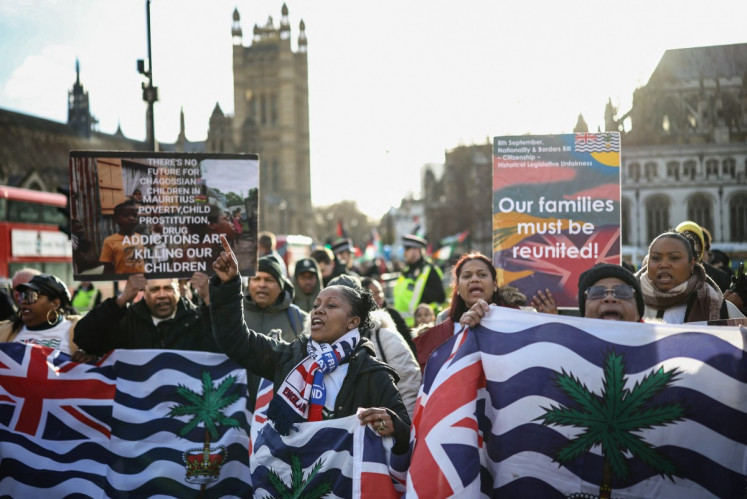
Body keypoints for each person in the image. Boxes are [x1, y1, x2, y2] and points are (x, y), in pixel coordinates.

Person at [210, 236, 411, 453]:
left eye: (331, 305)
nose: (318, 310)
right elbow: (235, 340)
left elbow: (406, 433)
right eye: (316, 305)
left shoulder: (373, 374)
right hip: (293, 480)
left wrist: (393, 426)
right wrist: (229, 286)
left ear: (353, 322)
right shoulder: (289, 357)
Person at [329, 274, 422, 418]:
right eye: (333, 305)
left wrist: (402, 430)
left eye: (348, 302)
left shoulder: (385, 336)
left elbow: (409, 386)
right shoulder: (316, 347)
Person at [413, 252, 517, 371]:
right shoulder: (443, 319)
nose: (474, 279)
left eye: (482, 275)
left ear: (494, 285)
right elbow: (440, 370)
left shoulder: (514, 315)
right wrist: (461, 334)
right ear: (457, 288)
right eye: (467, 276)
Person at [73, 273, 219, 355]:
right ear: (144, 293)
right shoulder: (128, 321)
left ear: (178, 290)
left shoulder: (196, 319)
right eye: (155, 289)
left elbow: (225, 347)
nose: (162, 295)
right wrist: (120, 301)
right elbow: (83, 338)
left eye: (168, 288)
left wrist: (208, 300)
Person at [634, 230, 743, 323]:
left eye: (674, 258)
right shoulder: (628, 301)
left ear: (691, 264)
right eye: (656, 258)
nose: (664, 264)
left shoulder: (722, 309)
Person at [0, 274, 95, 362]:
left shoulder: (78, 331)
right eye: (23, 296)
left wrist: (91, 356)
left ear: (55, 303)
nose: (23, 301)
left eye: (32, 296)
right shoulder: (5, 331)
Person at [245, 256, 309, 342]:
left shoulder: (300, 319)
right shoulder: (234, 314)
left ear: (281, 287)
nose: (262, 285)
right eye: (256, 279)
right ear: (249, 284)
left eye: (269, 280)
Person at [392, 234, 445, 327]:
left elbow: (440, 297)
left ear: (417, 250)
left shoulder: (430, 270)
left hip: (421, 327)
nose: (404, 253)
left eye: (407, 249)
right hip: (403, 326)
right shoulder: (406, 271)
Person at [361, 277, 416, 356]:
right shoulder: (363, 322)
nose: (379, 296)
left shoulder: (393, 314)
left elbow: (408, 342)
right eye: (374, 293)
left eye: (380, 292)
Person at [675, 221, 731, 292]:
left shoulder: (721, 278)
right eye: (685, 243)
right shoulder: (666, 277)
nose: (690, 248)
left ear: (702, 246)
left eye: (694, 243)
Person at [99, 200, 146, 275]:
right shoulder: (109, 241)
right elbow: (108, 268)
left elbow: (142, 261)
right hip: (123, 280)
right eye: (126, 216)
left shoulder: (139, 237)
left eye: (134, 215)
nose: (131, 218)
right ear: (116, 219)